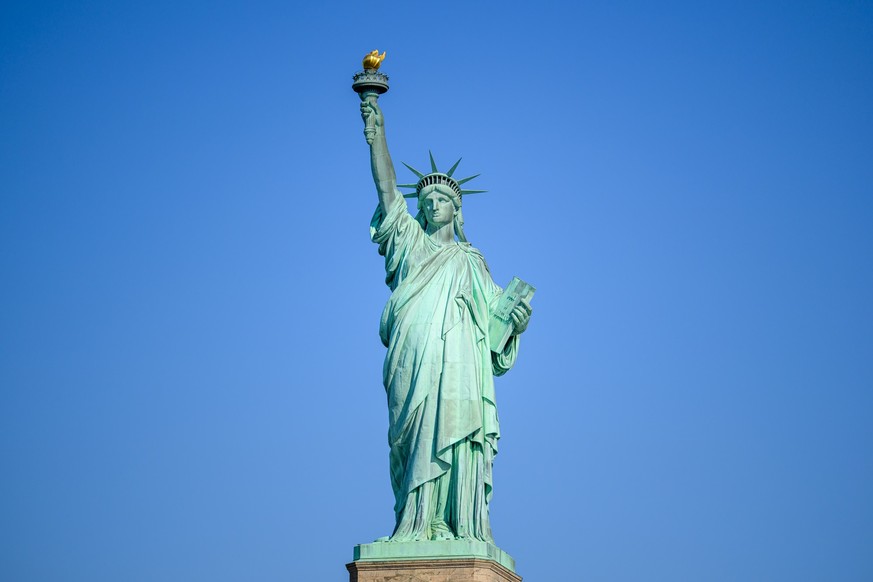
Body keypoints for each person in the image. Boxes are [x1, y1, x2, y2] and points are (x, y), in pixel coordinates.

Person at [361, 98, 532, 543]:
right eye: (428, 199)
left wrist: (517, 318)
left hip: (460, 365)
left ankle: (456, 523)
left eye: (443, 199)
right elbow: (386, 189)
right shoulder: (410, 245)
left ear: (458, 210)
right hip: (413, 357)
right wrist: (376, 128)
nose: (434, 204)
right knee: (413, 434)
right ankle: (415, 522)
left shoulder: (472, 262)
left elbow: (498, 327)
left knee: (457, 435)